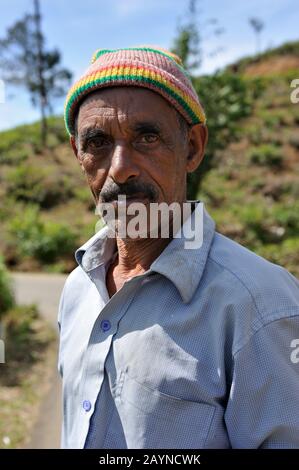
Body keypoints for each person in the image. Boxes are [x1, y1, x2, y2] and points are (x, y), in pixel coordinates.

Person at [58, 45, 299, 449]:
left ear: (192, 147)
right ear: (78, 154)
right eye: (97, 142)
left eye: (147, 137)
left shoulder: (261, 307)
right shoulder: (77, 290)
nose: (119, 167)